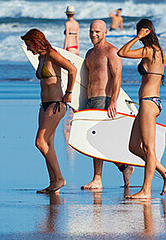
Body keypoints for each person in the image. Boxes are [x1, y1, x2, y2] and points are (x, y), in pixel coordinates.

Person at [117, 19, 166, 200]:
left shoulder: (150, 50)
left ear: (146, 32)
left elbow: (122, 52)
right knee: (134, 146)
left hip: (149, 103)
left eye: (141, 32)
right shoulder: (157, 51)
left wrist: (136, 37)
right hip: (148, 103)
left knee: (149, 149)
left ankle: (146, 191)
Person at [80, 20, 133, 191]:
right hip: (90, 100)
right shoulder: (89, 53)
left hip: (104, 99)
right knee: (98, 139)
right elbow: (84, 80)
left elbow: (117, 78)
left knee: (96, 138)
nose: (93, 35)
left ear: (105, 33)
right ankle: (124, 167)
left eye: (97, 32)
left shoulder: (112, 51)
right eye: (91, 31)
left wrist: (113, 101)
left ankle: (98, 179)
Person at [22, 28, 77, 194]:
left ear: (36, 42)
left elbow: (72, 69)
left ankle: (59, 178)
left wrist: (68, 93)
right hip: (44, 105)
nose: (28, 49)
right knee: (49, 144)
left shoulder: (52, 54)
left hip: (56, 104)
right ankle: (53, 183)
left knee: (40, 142)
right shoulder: (41, 57)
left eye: (29, 45)